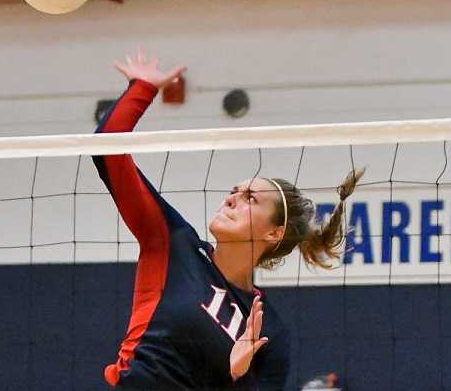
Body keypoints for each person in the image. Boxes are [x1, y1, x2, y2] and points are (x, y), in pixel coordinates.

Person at [93, 48, 364, 390]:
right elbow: (108, 151)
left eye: (250, 198)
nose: (232, 198)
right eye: (235, 190)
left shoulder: (267, 329)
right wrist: (142, 87)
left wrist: (235, 376)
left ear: (274, 233)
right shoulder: (174, 242)